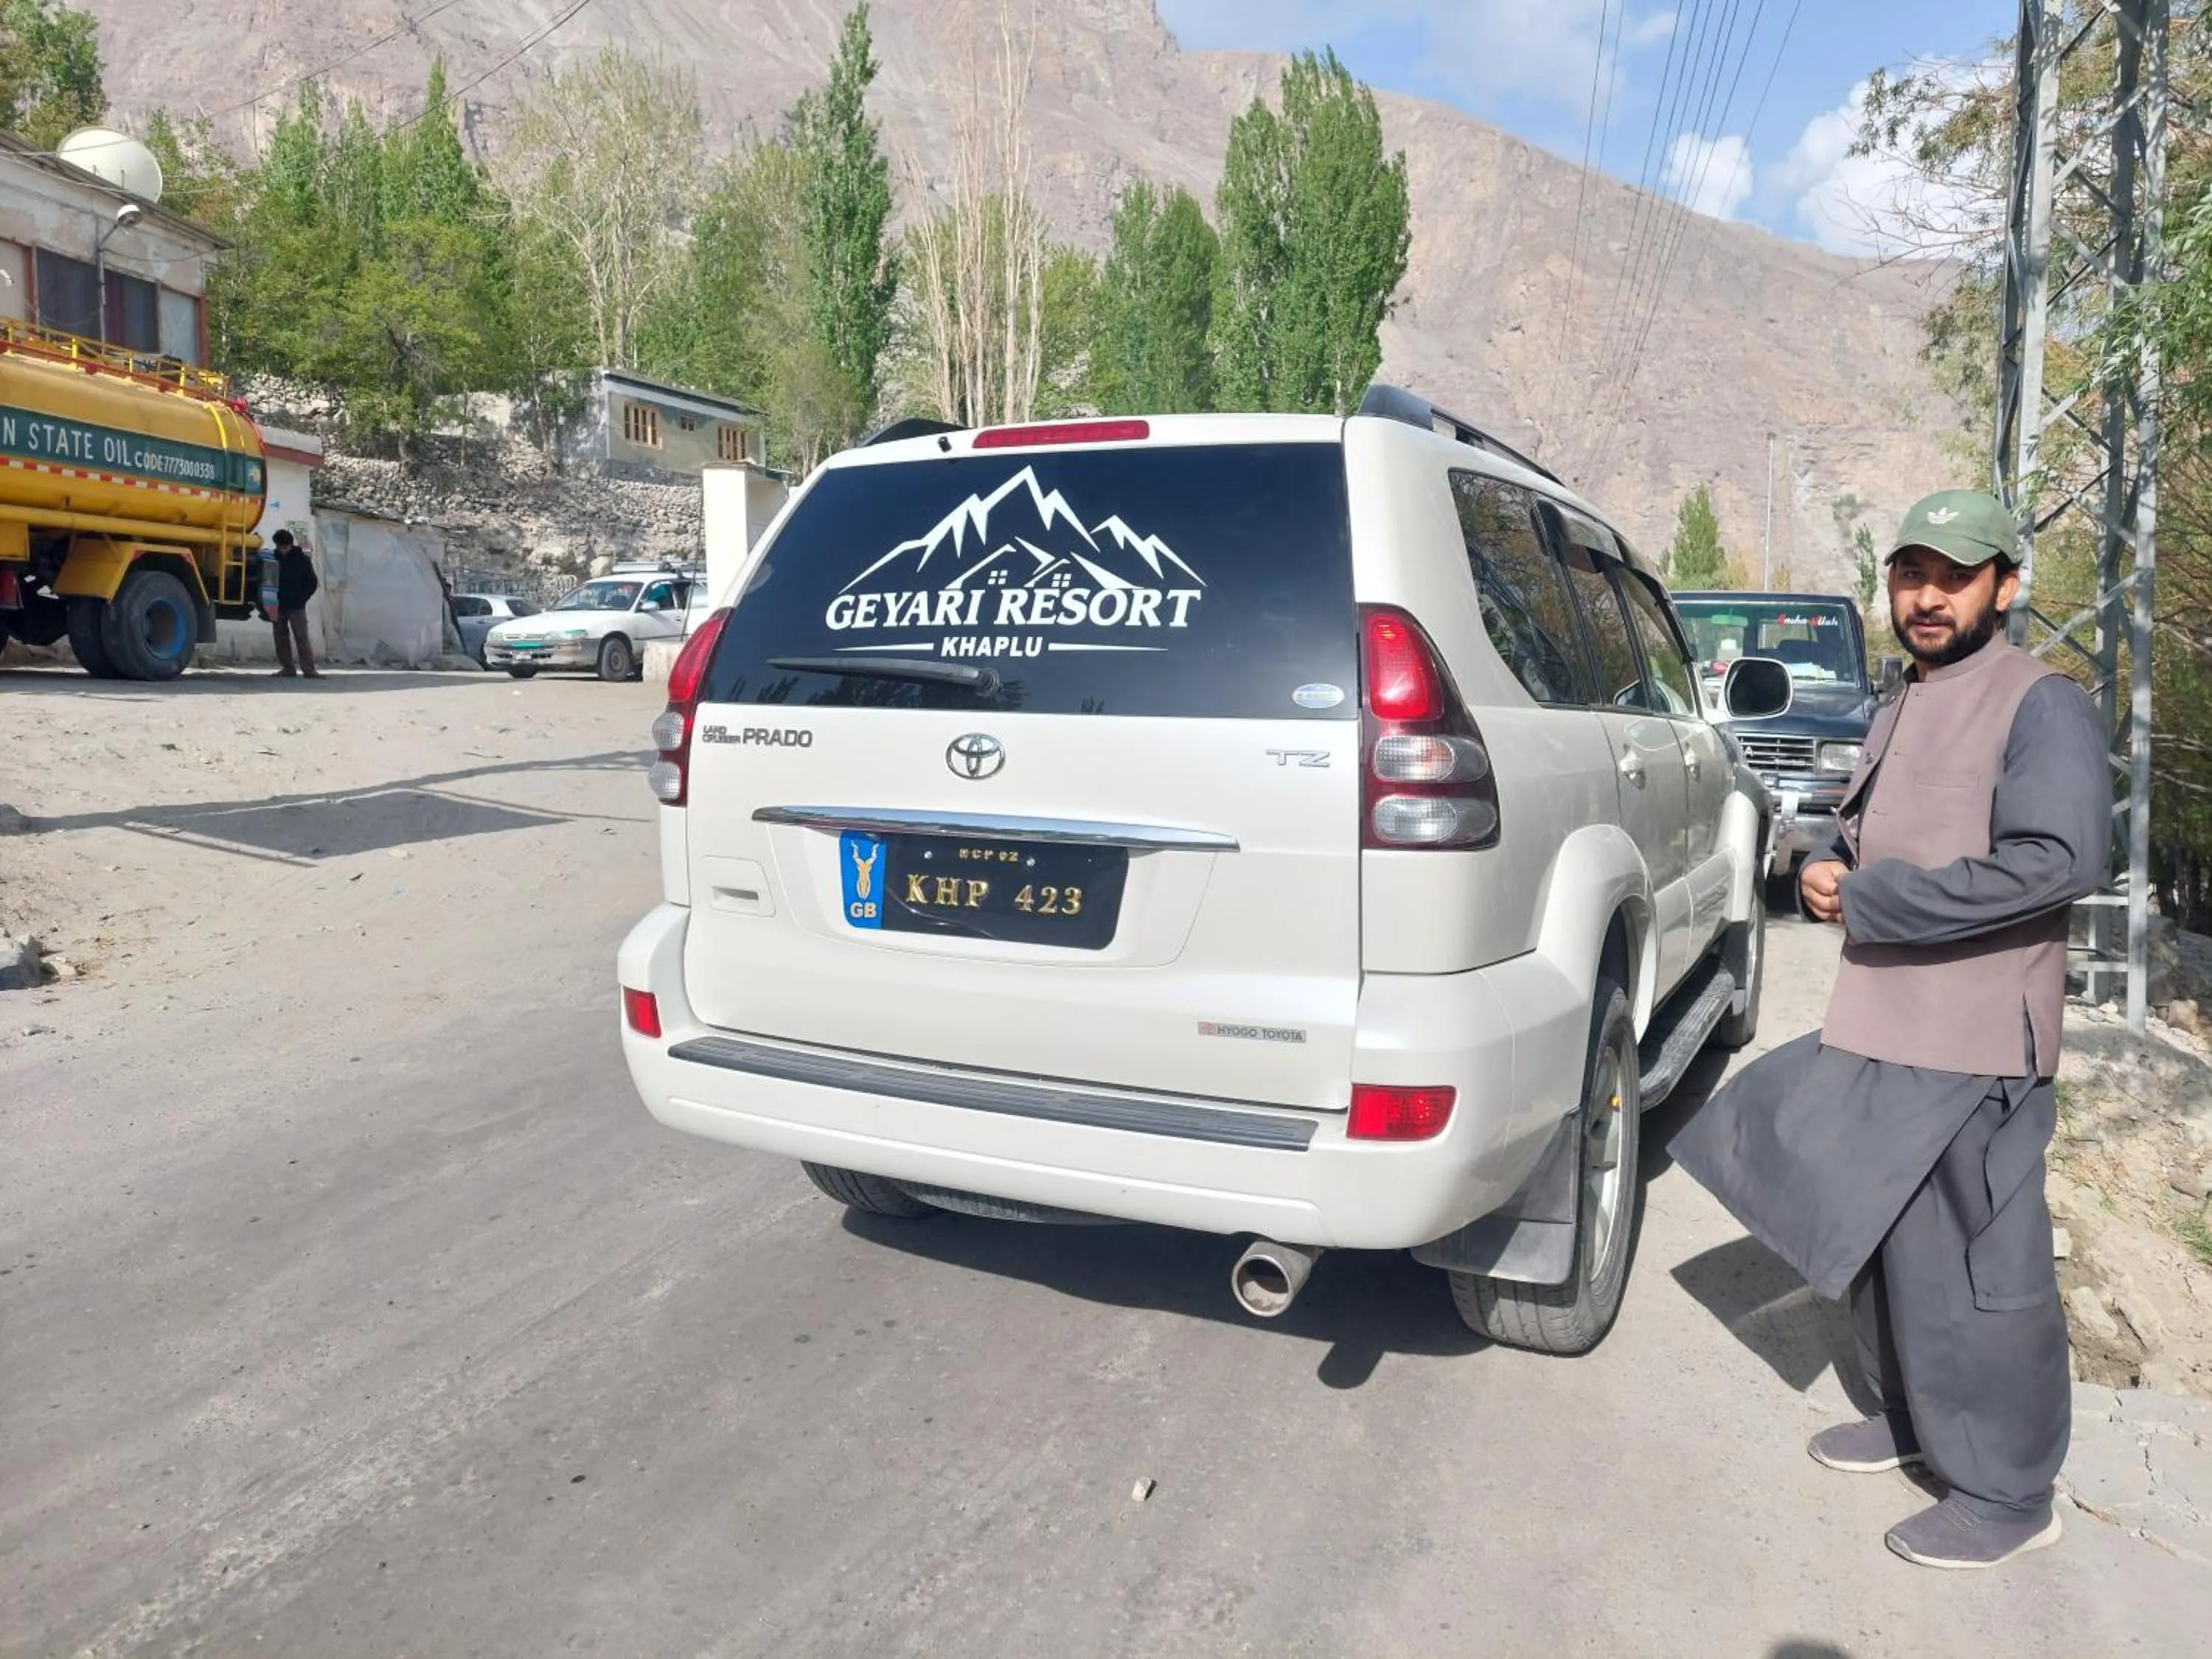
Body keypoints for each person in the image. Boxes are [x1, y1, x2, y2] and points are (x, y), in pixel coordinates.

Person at [1672, 488, 2110, 1570]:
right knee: (1877, 1245)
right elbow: (1888, 823)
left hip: (1975, 1040)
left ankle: (2008, 1491)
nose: (1925, 594)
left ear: (2006, 585)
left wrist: (1875, 899)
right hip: (1883, 1019)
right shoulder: (1903, 697)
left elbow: (2058, 861)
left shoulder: (2040, 703)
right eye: (1910, 573)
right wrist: (1830, 860)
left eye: (1952, 575)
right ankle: (1914, 1420)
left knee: (1977, 1271)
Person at [270, 529, 321, 680]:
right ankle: (288, 668)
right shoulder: (273, 560)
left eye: (285, 547)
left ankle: (309, 670)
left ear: (291, 545)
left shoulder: (302, 560)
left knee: (301, 637)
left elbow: (312, 583)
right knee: (280, 638)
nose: (283, 550)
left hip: (297, 606)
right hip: (278, 605)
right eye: (280, 547)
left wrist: (302, 599)